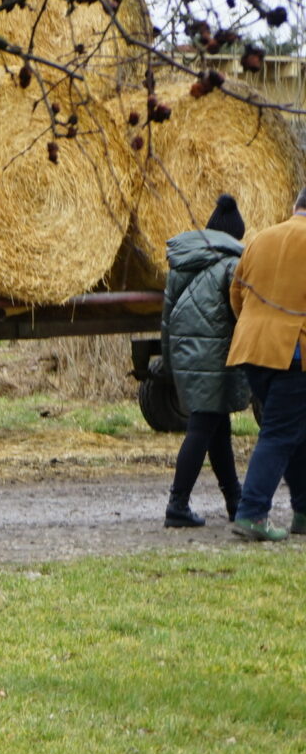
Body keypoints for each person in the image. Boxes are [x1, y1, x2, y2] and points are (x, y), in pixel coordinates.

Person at [159, 195, 249, 527]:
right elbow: (240, 313)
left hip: (187, 356)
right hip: (214, 358)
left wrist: (168, 361)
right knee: (202, 427)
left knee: (216, 428)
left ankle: (234, 500)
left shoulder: (183, 261)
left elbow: (167, 318)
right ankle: (177, 504)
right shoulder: (231, 264)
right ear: (234, 236)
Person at [226, 182, 306, 542]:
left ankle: (303, 513)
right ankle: (252, 513)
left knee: (296, 434)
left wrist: (254, 327)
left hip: (252, 350)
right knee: (279, 433)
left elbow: (236, 292)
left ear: (295, 206)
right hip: (294, 351)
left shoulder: (261, 238)